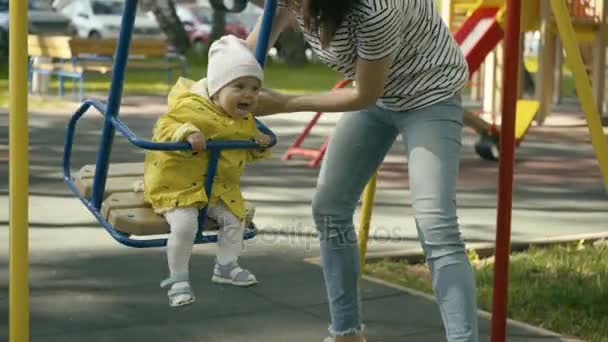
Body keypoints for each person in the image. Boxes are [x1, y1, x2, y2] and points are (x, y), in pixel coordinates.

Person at [246, 0, 479, 341]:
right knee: (329, 208)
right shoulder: (289, 1)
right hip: (378, 97)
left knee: (436, 226)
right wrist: (210, 92)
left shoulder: (375, 9)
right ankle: (347, 333)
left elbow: (364, 95)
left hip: (429, 96)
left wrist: (284, 103)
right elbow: (249, 53)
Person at [144, 35, 272, 307]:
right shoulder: (191, 108)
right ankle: (177, 279)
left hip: (217, 187)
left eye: (254, 88)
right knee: (186, 224)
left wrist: (258, 144)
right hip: (177, 184)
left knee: (235, 220)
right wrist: (187, 131)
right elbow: (163, 128)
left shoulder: (244, 119)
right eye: (239, 86)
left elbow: (245, 150)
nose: (248, 94)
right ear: (216, 89)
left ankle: (225, 266)